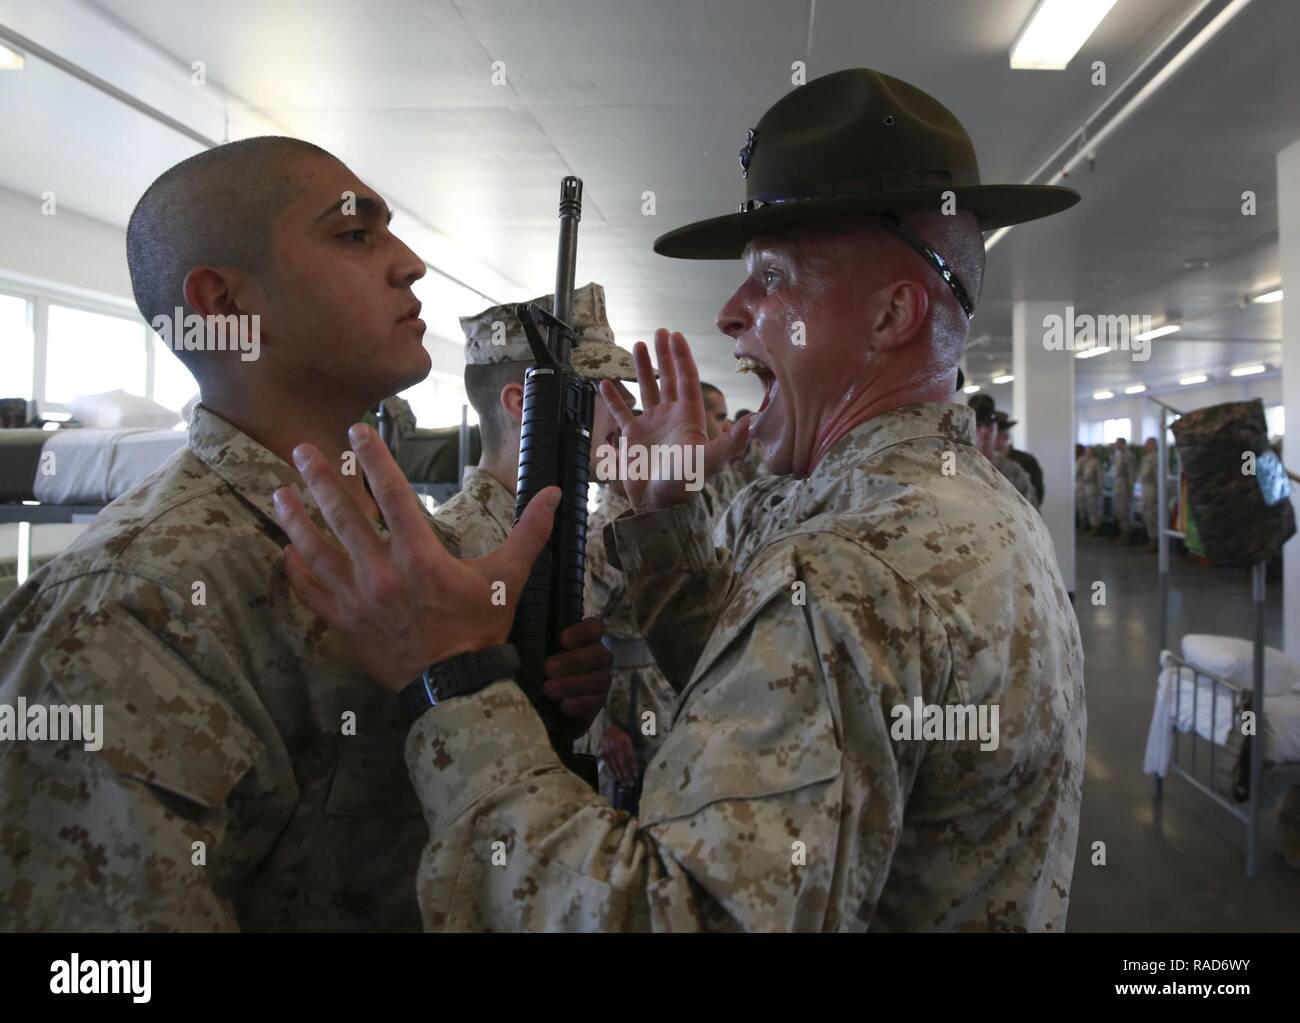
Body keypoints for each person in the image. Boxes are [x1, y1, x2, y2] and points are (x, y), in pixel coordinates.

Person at [275, 67, 1086, 931]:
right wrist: (663, 529)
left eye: (772, 278)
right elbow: (816, 719)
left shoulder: (853, 566)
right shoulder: (979, 509)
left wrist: (453, 681)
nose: (732, 311)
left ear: (892, 316)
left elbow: (673, 917)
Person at [0, 137, 604, 931]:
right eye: (356, 234)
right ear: (223, 305)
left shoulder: (410, 541)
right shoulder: (129, 603)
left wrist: (521, 693)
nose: (411, 262)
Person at [432, 283, 638, 560]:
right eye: (601, 385)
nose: (628, 400)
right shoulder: (453, 549)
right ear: (525, 405)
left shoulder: (560, 526)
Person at [970, 395, 1037, 507]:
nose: (984, 431)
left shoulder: (1013, 471)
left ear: (996, 429)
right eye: (978, 425)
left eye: (989, 425)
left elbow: (1032, 514)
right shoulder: (954, 465)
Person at [995, 411, 1044, 510]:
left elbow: (1037, 495)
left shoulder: (1026, 461)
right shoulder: (984, 460)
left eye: (996, 434)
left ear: (1006, 437)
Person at [1111, 437, 1137, 543]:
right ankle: (1122, 533)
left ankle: (1126, 535)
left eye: (1117, 443)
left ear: (1122, 444)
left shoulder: (1128, 456)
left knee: (1124, 510)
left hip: (1124, 486)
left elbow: (1131, 474)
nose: (1116, 445)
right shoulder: (1118, 455)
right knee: (1119, 510)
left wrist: (1131, 488)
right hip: (1118, 484)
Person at [1138, 437, 1160, 552]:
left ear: (1153, 445)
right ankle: (1151, 538)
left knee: (1152, 515)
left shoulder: (1156, 458)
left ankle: (1155, 540)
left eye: (1147, 443)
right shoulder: (1146, 458)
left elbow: (1158, 477)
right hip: (1145, 488)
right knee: (1146, 513)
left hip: (1153, 489)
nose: (1145, 445)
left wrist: (1159, 493)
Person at [1080, 446, 1104, 533]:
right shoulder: (1087, 462)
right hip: (1086, 488)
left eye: (1089, 451)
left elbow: (1100, 477)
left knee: (1093, 508)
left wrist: (1100, 489)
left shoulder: (1096, 463)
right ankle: (1091, 526)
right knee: (1088, 508)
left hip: (1093, 488)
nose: (1087, 453)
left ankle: (1096, 527)